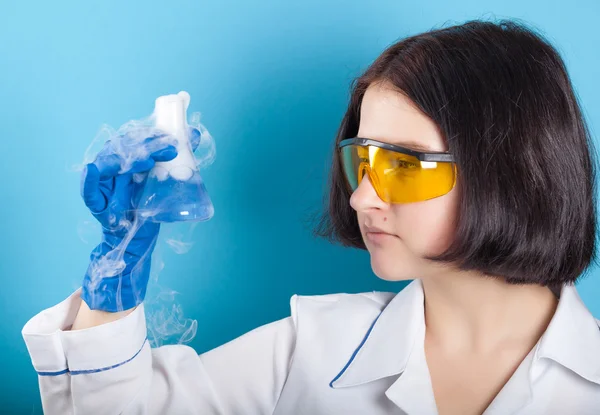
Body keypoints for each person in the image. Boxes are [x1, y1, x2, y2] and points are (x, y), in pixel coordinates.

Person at [22, 19, 600, 415]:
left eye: (403, 164)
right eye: (361, 158)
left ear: (515, 169)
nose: (361, 199)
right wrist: (115, 277)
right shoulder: (314, 346)